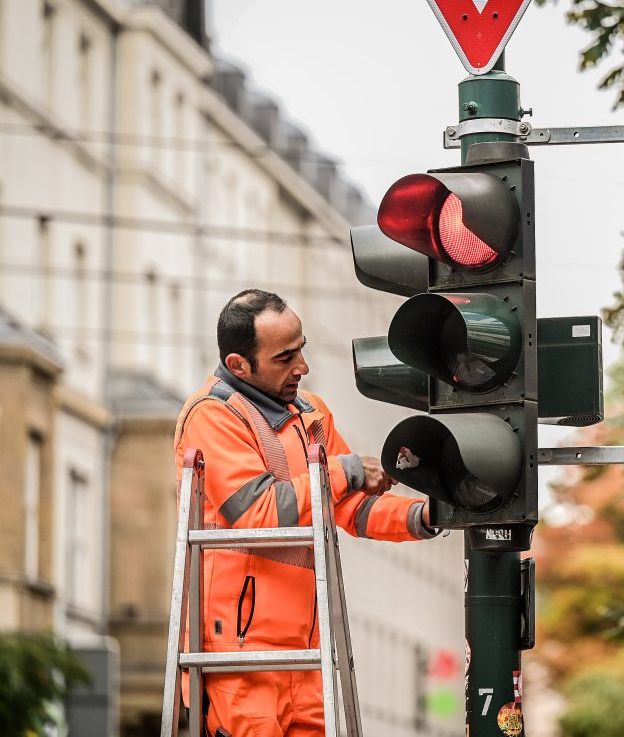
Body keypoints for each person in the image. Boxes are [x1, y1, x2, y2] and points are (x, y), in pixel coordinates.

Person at [174, 288, 438, 735]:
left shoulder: (312, 414)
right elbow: (259, 512)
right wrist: (346, 471)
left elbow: (353, 508)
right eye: (284, 358)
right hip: (240, 654)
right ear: (238, 365)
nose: (302, 367)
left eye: (301, 349)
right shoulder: (212, 416)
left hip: (308, 654)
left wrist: (426, 516)